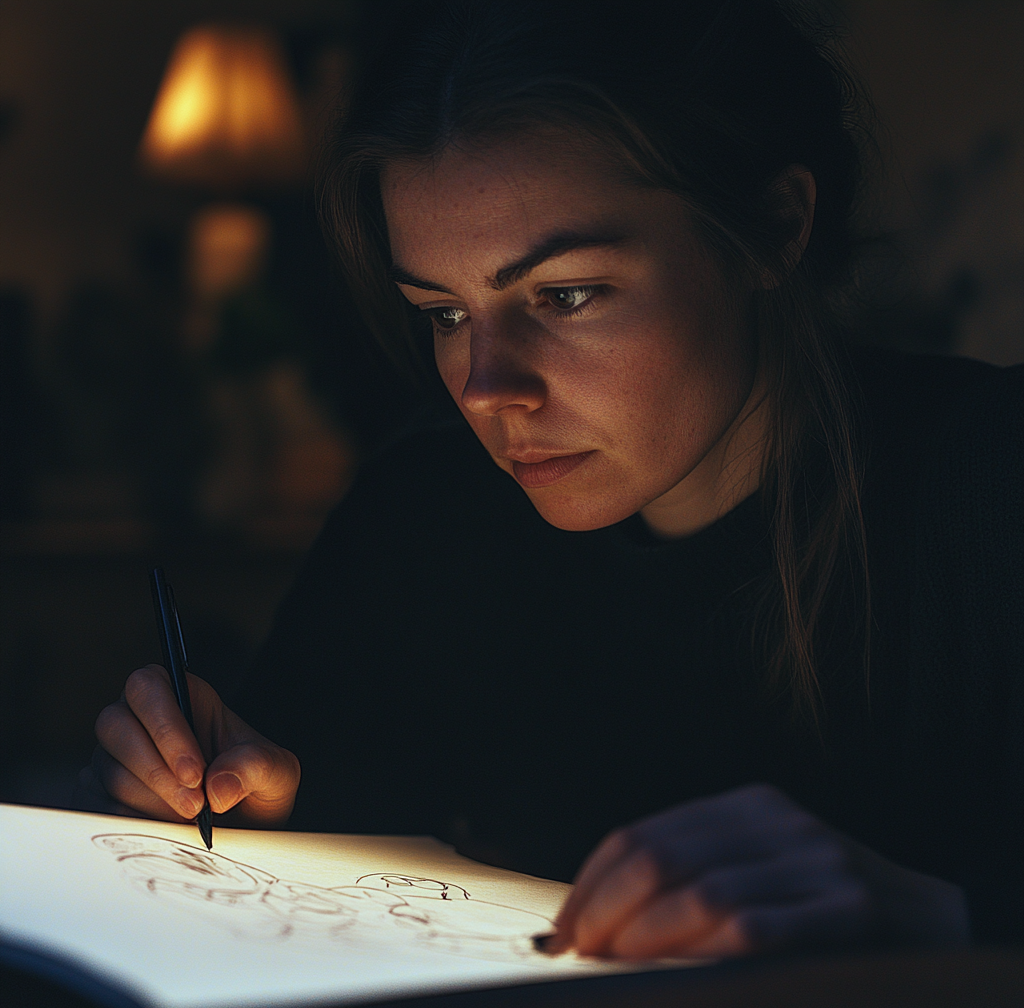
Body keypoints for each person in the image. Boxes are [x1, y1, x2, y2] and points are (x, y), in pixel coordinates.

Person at [78, 0, 1022, 959]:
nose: (487, 391)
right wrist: (254, 804)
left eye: (567, 295)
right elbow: (297, 859)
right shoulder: (420, 515)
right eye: (445, 314)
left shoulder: (988, 489)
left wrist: (946, 922)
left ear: (776, 227)